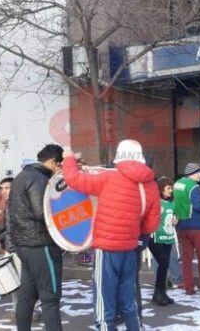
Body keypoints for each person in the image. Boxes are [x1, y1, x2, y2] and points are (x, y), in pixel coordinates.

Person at [62, 140, 160, 331]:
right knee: (129, 302)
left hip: (106, 249)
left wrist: (68, 159)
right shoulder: (151, 186)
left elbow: (73, 180)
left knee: (104, 304)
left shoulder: (108, 178)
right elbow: (151, 224)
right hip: (130, 249)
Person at [8, 144, 65, 331]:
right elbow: (43, 213)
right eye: (60, 165)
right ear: (52, 162)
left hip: (24, 245)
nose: (60, 170)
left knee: (27, 295)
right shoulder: (39, 179)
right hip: (41, 244)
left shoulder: (21, 177)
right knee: (50, 298)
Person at [173, 163, 200, 296]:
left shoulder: (177, 184)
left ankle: (189, 288)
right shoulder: (194, 186)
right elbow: (198, 206)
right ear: (192, 173)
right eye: (198, 173)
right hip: (196, 226)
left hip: (181, 226)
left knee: (186, 258)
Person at [149, 177, 177, 306]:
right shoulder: (157, 202)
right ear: (161, 189)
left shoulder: (172, 203)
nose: (170, 191)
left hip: (168, 236)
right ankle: (159, 292)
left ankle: (160, 293)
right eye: (168, 188)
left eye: (171, 188)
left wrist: (176, 221)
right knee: (163, 263)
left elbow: (174, 217)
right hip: (156, 237)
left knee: (164, 265)